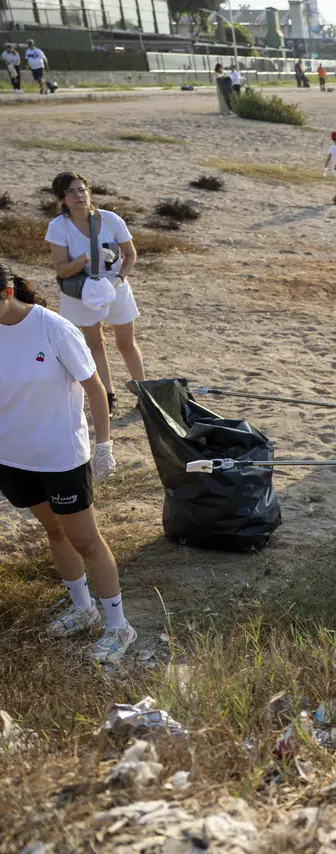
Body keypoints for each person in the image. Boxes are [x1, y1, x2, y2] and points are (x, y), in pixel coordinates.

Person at [0, 261, 135, 663]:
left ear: (7, 294)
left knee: (86, 541)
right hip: (12, 457)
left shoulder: (53, 328)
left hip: (61, 457)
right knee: (54, 533)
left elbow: (95, 389)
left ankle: (118, 627)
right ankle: (82, 608)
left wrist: (104, 444)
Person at [45, 172, 144, 416]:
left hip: (115, 286)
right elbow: (61, 269)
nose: (78, 195)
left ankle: (144, 395)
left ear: (89, 192)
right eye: (71, 192)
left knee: (126, 342)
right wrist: (86, 258)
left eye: (82, 189)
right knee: (95, 344)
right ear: (62, 198)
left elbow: (130, 255)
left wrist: (120, 279)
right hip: (82, 290)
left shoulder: (111, 219)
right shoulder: (59, 226)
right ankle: (108, 397)